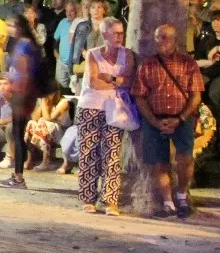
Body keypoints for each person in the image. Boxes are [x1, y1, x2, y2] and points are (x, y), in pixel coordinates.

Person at [134, 23, 207, 218]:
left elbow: (196, 96)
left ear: (175, 40)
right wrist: (153, 120)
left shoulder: (188, 64)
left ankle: (182, 195)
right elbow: (139, 95)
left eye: (165, 37)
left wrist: (180, 118)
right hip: (155, 119)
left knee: (185, 158)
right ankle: (168, 203)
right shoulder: (147, 64)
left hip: (182, 119)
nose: (160, 42)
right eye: (158, 37)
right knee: (159, 162)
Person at [76, 17, 135, 215]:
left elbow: (129, 80)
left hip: (115, 108)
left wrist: (109, 77)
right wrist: (117, 80)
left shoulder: (127, 55)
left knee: (112, 153)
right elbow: (94, 83)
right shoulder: (93, 54)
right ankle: (88, 198)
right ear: (105, 35)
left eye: (121, 32)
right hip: (91, 106)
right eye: (115, 33)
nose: (120, 36)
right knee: (89, 152)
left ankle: (110, 200)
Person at [0, 16, 44, 188]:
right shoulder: (27, 44)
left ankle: (18, 177)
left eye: (10, 25)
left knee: (18, 134)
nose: (7, 28)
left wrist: (17, 91)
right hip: (24, 91)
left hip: (22, 92)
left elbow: (24, 70)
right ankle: (18, 174)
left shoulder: (24, 45)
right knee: (18, 133)